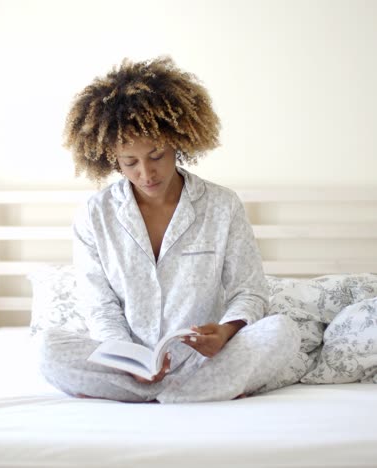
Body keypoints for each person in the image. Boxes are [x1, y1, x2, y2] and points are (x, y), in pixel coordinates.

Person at [38, 56, 300, 403]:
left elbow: (249, 291)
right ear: (109, 157)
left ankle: (160, 393)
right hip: (125, 362)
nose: (146, 173)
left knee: (284, 331)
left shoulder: (222, 206)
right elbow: (100, 306)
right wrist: (124, 356)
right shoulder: (94, 214)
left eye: (157, 155)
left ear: (178, 141)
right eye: (129, 162)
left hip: (206, 360)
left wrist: (224, 332)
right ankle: (183, 392)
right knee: (48, 349)